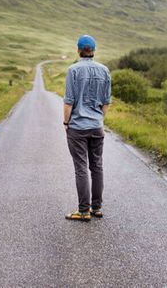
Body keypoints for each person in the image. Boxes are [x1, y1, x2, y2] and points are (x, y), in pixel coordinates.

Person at [63, 35, 112, 222]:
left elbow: (69, 101)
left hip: (77, 127)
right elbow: (106, 102)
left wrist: (66, 123)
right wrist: (98, 119)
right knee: (97, 166)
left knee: (81, 167)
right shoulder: (105, 70)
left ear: (78, 50)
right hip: (96, 126)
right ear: (94, 51)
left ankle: (83, 210)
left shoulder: (73, 70)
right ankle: (97, 207)